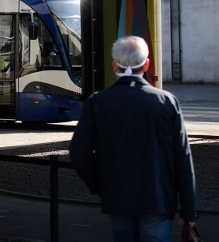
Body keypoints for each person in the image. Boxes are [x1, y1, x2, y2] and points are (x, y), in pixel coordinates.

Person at [69, 36, 197, 242]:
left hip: (118, 197)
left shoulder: (98, 102)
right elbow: (182, 158)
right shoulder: (166, 102)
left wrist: (101, 185)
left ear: (114, 65)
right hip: (158, 199)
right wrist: (189, 210)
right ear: (146, 64)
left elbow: (78, 153)